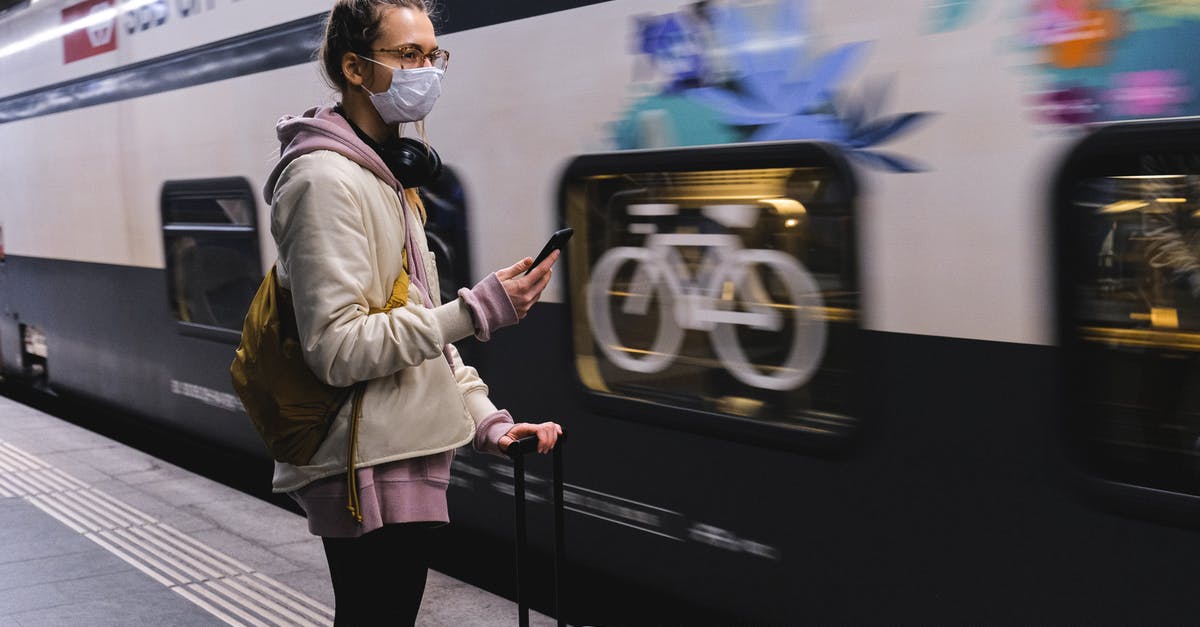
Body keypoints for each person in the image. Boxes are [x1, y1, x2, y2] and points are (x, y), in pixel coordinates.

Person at [261, 1, 562, 623]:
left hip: (402, 452)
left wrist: (490, 423)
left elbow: (422, 329)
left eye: (433, 55)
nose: (426, 70)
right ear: (355, 67)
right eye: (407, 55)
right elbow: (339, 349)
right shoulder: (322, 183)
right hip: (364, 464)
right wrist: (478, 309)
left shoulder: (387, 178)